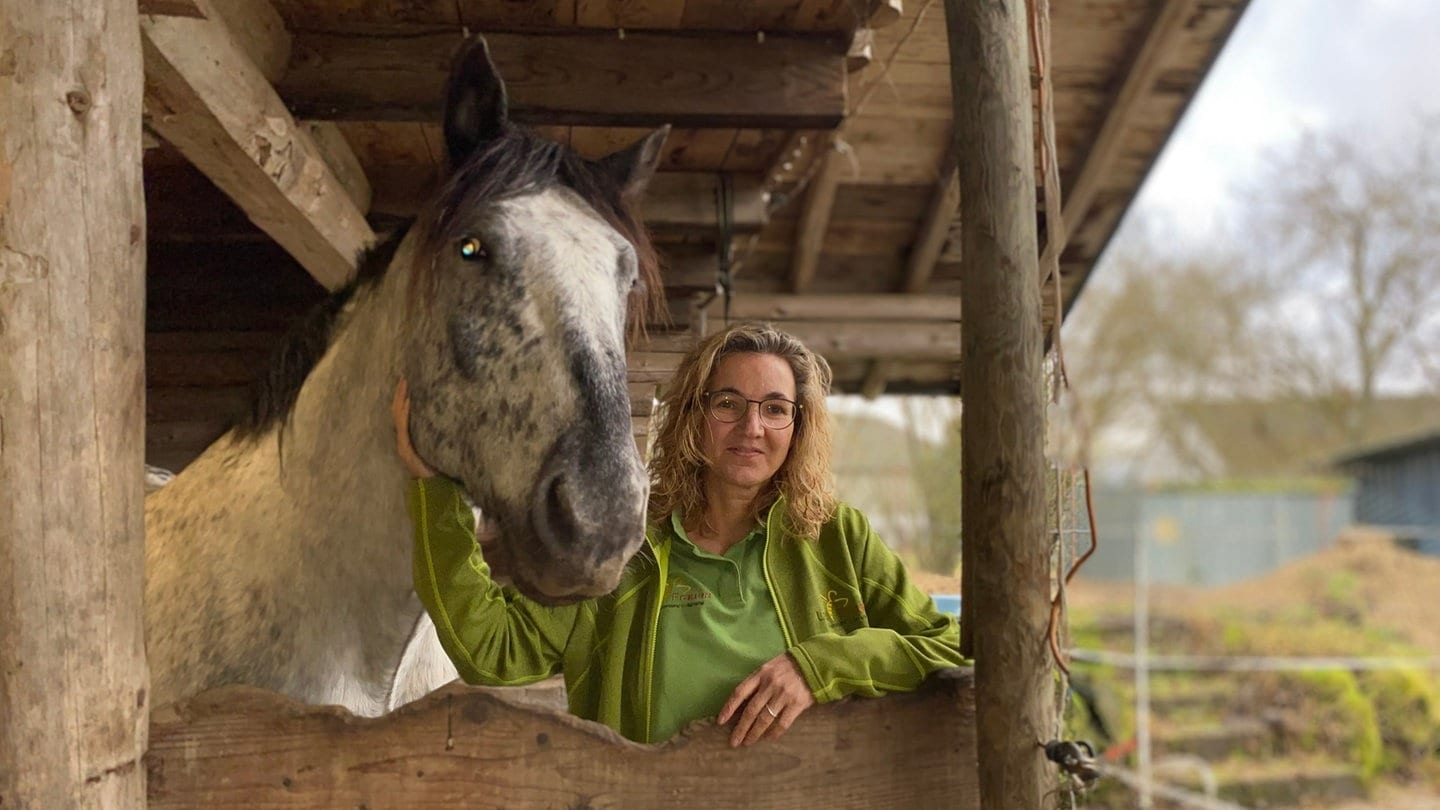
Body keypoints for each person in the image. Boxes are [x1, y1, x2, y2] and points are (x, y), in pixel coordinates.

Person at [395, 322, 964, 747]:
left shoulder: (837, 537)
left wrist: (821, 665)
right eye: (728, 403)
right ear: (693, 414)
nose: (751, 427)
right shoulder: (623, 543)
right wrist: (434, 488)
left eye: (775, 409)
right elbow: (491, 649)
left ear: (799, 425)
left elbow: (947, 645)